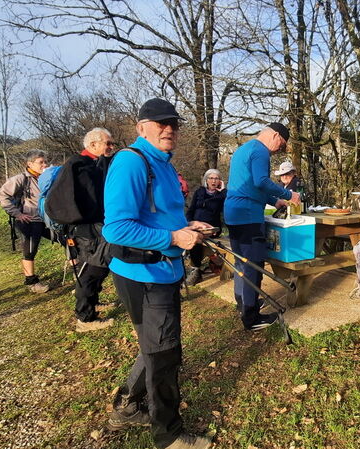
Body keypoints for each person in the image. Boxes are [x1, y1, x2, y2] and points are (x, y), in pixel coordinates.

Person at [102, 98, 212, 449]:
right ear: (142, 127)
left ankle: (127, 407)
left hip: (162, 271)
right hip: (144, 274)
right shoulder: (131, 162)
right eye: (161, 123)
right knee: (165, 353)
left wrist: (187, 225)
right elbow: (116, 229)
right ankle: (169, 435)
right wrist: (172, 237)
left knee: (153, 347)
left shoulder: (163, 164)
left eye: (174, 123)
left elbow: (159, 214)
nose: (169, 129)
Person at [224, 123, 301, 330]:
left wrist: (274, 201)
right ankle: (251, 318)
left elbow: (250, 184)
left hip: (233, 213)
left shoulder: (244, 149)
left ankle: (243, 302)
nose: (279, 149)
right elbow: (261, 181)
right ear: (275, 135)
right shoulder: (261, 151)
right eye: (281, 144)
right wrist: (288, 194)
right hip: (248, 216)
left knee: (241, 262)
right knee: (254, 266)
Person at [61, 127, 116, 333]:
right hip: (88, 230)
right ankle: (84, 318)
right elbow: (91, 201)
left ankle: (93, 304)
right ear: (93, 145)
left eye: (111, 143)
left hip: (96, 226)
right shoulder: (82, 166)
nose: (111, 147)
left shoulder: (94, 164)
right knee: (91, 270)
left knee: (100, 266)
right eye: (107, 143)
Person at [0, 149, 52, 293]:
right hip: (30, 220)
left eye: (46, 161)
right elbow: (2, 195)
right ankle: (31, 282)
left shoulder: (48, 177)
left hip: (48, 220)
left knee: (67, 240)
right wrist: (17, 214)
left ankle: (77, 270)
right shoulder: (21, 179)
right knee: (30, 250)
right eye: (41, 162)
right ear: (30, 164)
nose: (44, 165)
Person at [184, 169, 226, 285]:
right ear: (206, 180)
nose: (213, 181)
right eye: (211, 178)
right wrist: (188, 222)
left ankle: (196, 270)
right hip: (196, 225)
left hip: (212, 228)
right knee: (193, 235)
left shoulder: (221, 195)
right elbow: (191, 209)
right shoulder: (199, 192)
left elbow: (228, 207)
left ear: (220, 181)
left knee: (196, 238)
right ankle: (200, 267)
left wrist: (223, 191)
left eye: (216, 178)